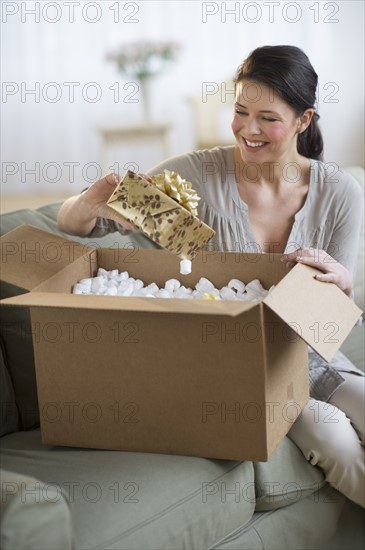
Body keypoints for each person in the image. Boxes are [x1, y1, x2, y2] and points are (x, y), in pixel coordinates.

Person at [57, 45, 364, 507]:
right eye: (240, 112)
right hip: (232, 369)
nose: (249, 129)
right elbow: (79, 222)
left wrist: (342, 288)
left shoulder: (340, 191)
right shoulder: (196, 178)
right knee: (334, 436)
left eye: (268, 118)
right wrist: (89, 203)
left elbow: (333, 318)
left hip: (311, 354)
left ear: (304, 120)